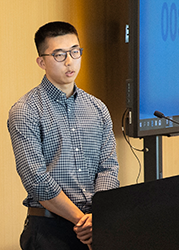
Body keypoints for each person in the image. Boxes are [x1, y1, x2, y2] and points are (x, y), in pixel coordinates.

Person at [7, 21, 120, 250]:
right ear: (42, 61)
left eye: (75, 51)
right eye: (59, 55)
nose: (70, 61)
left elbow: (109, 168)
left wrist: (97, 217)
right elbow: (36, 180)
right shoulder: (25, 111)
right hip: (49, 230)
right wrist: (82, 221)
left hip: (97, 224)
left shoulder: (98, 108)